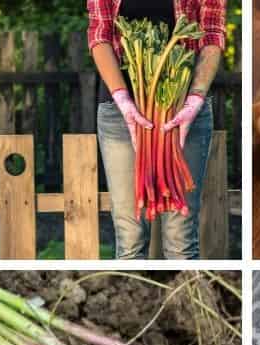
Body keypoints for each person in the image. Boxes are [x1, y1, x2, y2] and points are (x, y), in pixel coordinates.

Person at [88, 0, 224, 259]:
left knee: (181, 241)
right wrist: (123, 99)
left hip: (184, 105)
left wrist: (195, 98)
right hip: (120, 111)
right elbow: (99, 35)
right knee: (129, 241)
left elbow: (212, 34)